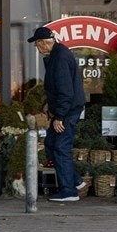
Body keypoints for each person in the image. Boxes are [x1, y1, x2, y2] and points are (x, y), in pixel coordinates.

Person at [29, 25, 84, 202]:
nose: (37, 48)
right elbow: (59, 88)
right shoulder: (56, 55)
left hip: (67, 111)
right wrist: (48, 105)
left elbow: (66, 91)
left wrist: (59, 116)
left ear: (44, 43)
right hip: (63, 109)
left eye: (37, 44)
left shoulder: (59, 58)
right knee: (52, 143)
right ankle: (74, 180)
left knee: (60, 147)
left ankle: (69, 191)